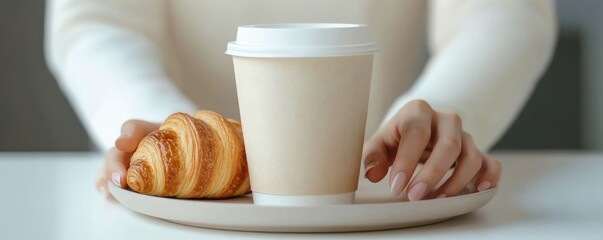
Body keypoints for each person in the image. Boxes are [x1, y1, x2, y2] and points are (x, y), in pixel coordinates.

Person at [45, 0, 557, 201]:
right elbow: (97, 20)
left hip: (378, 198)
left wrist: (436, 109)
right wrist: (164, 137)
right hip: (182, 218)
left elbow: (505, 12)